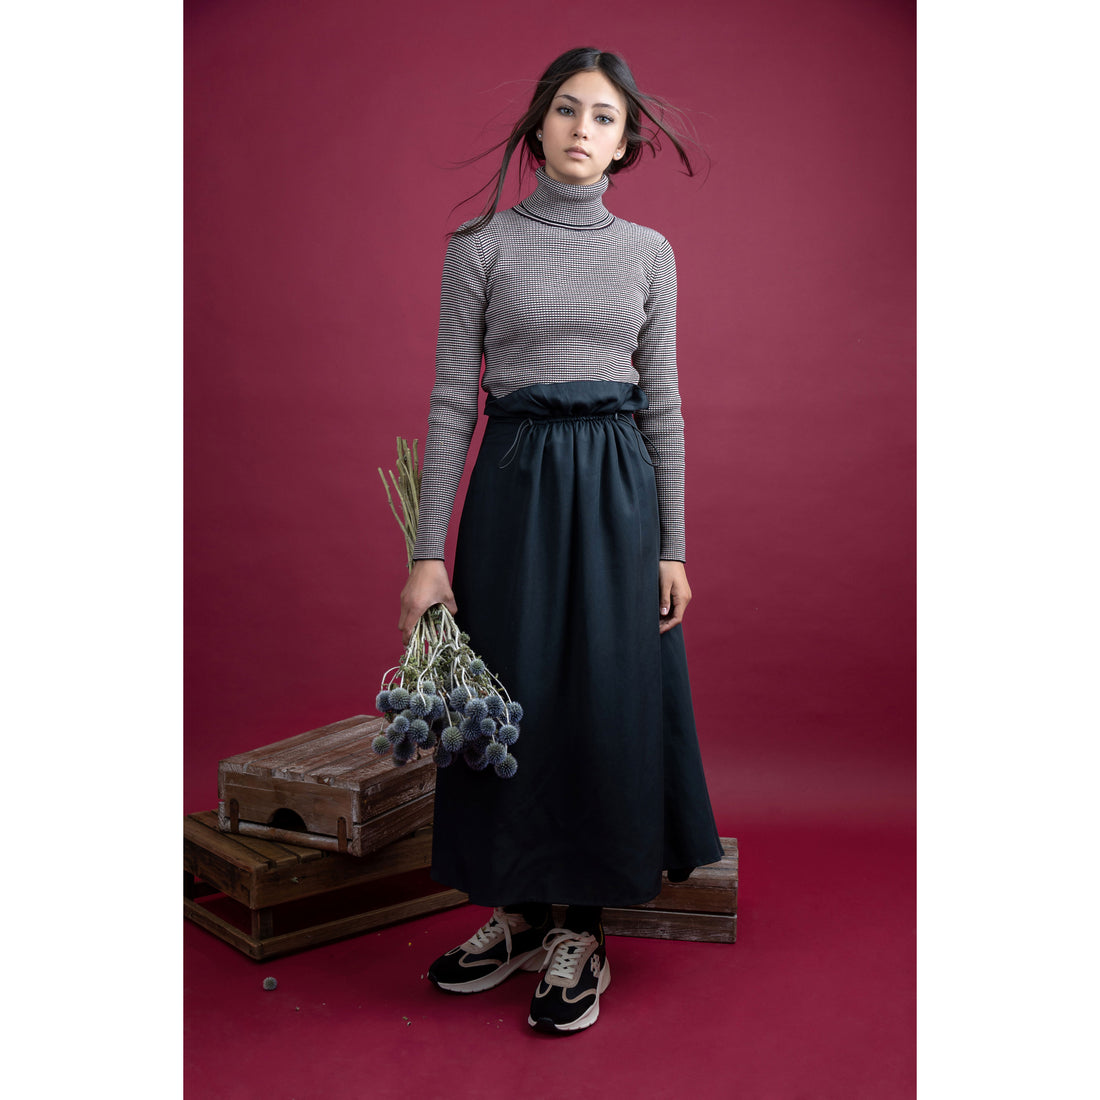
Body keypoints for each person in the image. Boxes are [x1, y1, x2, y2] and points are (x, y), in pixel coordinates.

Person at [398, 46, 723, 1035]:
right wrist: (426, 552)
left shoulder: (649, 252)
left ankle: (582, 926)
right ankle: (519, 909)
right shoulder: (479, 246)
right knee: (513, 693)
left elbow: (662, 402)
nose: (585, 129)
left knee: (604, 699)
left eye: (605, 118)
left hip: (618, 491)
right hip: (515, 487)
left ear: (624, 145)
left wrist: (671, 544)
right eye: (569, 110)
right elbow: (452, 399)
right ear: (538, 126)